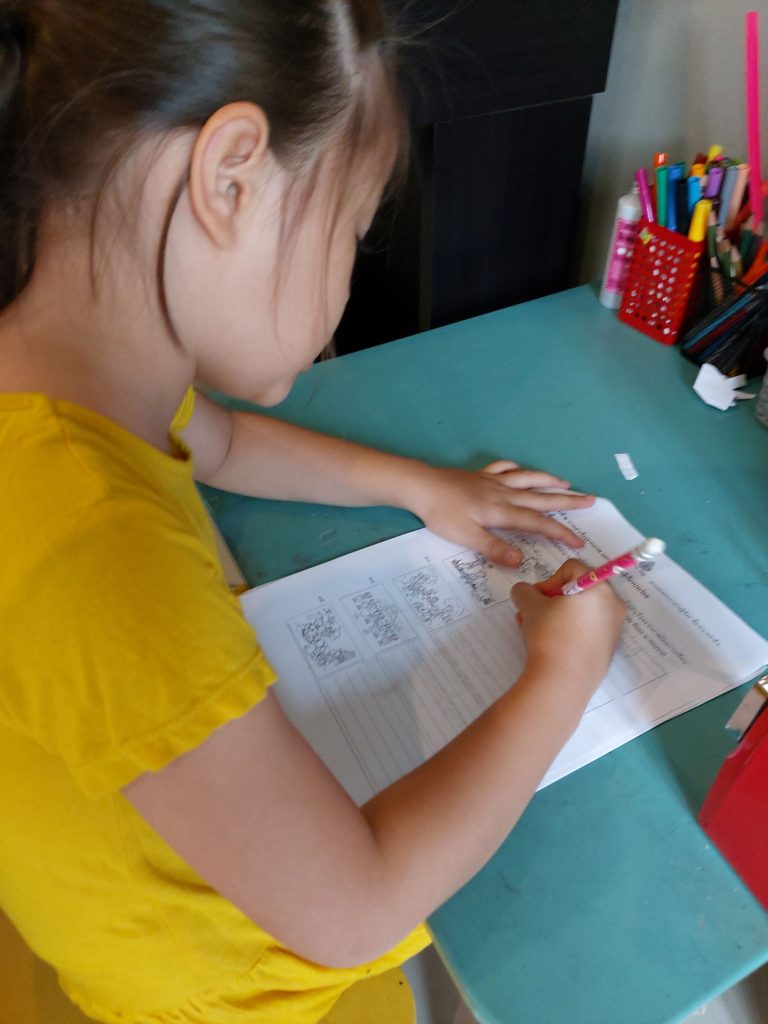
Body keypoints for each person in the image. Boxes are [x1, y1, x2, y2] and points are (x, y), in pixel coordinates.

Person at [0, 3, 627, 1022]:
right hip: (218, 991)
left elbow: (223, 443)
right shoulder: (92, 543)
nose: (342, 284)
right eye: (352, 232)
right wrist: (566, 671)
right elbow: (352, 911)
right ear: (229, 178)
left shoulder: (66, 371)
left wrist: (420, 485)